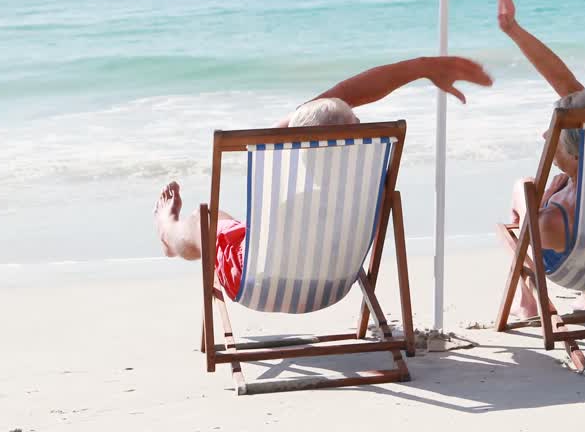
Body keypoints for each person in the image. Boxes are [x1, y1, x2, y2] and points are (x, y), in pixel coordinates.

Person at [154, 56, 492, 299]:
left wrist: (422, 66)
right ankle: (187, 236)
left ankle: (168, 231)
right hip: (334, 285)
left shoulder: (286, 189)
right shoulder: (365, 193)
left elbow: (324, 104)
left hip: (256, 284)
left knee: (202, 219)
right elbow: (339, 100)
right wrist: (422, 67)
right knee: (227, 225)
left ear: (299, 148)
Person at [493, 0, 585, 316]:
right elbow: (569, 86)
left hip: (567, 257)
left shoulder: (555, 217)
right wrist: (513, 29)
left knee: (517, 201)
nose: (546, 140)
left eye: (556, 138)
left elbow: (534, 227)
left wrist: (532, 196)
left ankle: (529, 297)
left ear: (576, 155)